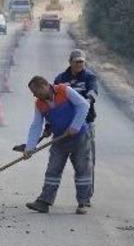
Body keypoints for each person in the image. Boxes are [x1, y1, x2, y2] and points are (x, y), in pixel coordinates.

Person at [23, 76, 92, 215]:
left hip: (79, 137)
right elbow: (36, 125)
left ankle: (83, 202)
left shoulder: (65, 90)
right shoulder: (39, 104)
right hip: (60, 139)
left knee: (81, 169)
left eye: (35, 91)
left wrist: (75, 126)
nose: (34, 95)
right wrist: (29, 148)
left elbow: (84, 105)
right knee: (53, 170)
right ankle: (44, 202)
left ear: (44, 86)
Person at [53, 49, 98, 194]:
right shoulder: (60, 79)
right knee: (57, 162)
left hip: (86, 124)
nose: (79, 64)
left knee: (86, 162)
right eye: (77, 61)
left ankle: (86, 195)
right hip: (65, 126)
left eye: (82, 62)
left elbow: (93, 92)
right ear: (70, 62)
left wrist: (86, 102)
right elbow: (54, 100)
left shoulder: (90, 77)